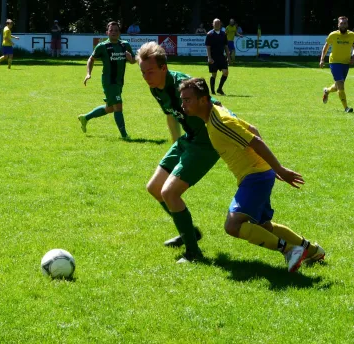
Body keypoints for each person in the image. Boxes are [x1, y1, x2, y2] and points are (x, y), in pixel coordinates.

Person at [179, 77, 326, 272]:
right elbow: (253, 129)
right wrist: (270, 167)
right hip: (258, 174)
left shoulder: (220, 121)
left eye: (187, 100)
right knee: (264, 227)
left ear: (203, 100)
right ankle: (313, 250)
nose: (183, 105)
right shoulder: (217, 115)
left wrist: (279, 169)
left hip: (255, 177)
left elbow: (255, 140)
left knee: (232, 225)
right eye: (182, 100)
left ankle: (290, 250)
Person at [135, 42, 220, 263]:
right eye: (143, 72)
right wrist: (177, 145)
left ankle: (194, 253)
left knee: (170, 193)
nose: (146, 76)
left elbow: (216, 106)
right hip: (188, 140)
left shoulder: (183, 84)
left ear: (164, 68)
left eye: (150, 71)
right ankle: (190, 233)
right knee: (154, 187)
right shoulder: (155, 87)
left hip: (205, 144)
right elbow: (171, 115)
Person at [78, 21, 135, 139]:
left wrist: (131, 59)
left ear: (119, 33)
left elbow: (133, 60)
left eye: (116, 30)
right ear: (107, 32)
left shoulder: (125, 45)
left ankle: (85, 118)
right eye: (111, 30)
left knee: (110, 108)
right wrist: (88, 73)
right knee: (118, 106)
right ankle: (125, 136)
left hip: (119, 82)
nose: (114, 32)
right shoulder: (102, 46)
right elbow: (91, 59)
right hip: (109, 82)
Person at [320, 16, 354, 113]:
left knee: (338, 86)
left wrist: (353, 57)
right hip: (334, 62)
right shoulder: (333, 35)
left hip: (345, 63)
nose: (343, 25)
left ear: (347, 25)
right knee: (341, 86)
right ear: (338, 25)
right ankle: (346, 108)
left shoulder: (352, 35)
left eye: (345, 23)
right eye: (341, 23)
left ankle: (326, 91)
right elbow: (325, 47)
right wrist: (322, 59)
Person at [205, 18, 230, 95]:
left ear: (220, 24)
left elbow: (226, 46)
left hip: (221, 57)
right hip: (213, 57)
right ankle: (212, 91)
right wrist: (209, 57)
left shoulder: (224, 34)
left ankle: (219, 88)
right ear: (213, 24)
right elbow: (208, 47)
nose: (217, 25)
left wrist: (228, 56)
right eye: (215, 23)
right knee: (214, 74)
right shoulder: (209, 34)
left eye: (218, 23)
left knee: (225, 72)